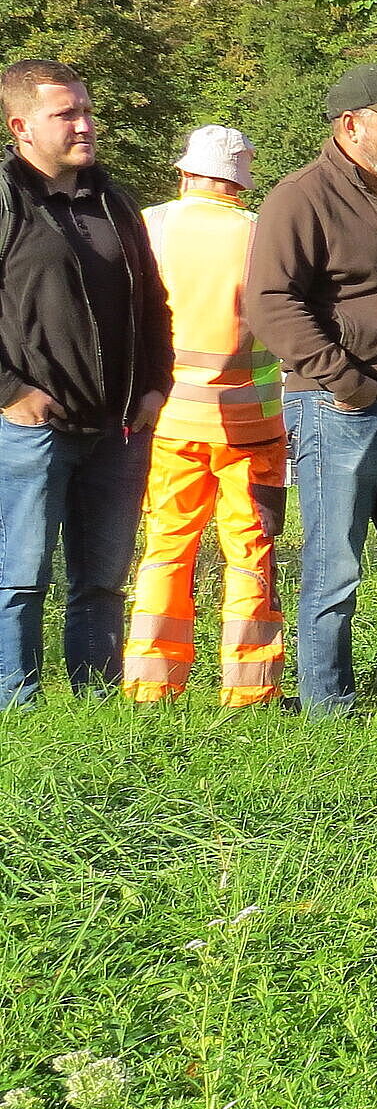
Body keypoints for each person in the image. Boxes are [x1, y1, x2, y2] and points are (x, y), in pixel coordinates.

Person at [247, 63, 377, 716]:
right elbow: (270, 304)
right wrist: (347, 383)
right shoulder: (301, 196)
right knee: (335, 572)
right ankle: (329, 714)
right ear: (351, 126)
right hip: (337, 409)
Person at [0, 59, 170, 708]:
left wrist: (155, 383)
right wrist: (10, 392)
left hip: (118, 430)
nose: (84, 124)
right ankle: (17, 709)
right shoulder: (7, 201)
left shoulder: (115, 202)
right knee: (18, 579)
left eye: (87, 110)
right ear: (21, 126)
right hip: (30, 429)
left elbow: (154, 302)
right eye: (66, 113)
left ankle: (96, 709)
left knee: (102, 582)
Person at [123, 127, 284, 708]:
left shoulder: (149, 226)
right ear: (241, 180)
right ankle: (251, 691)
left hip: (167, 425)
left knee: (166, 547)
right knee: (250, 553)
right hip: (254, 429)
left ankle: (150, 684)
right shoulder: (263, 233)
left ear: (186, 171)